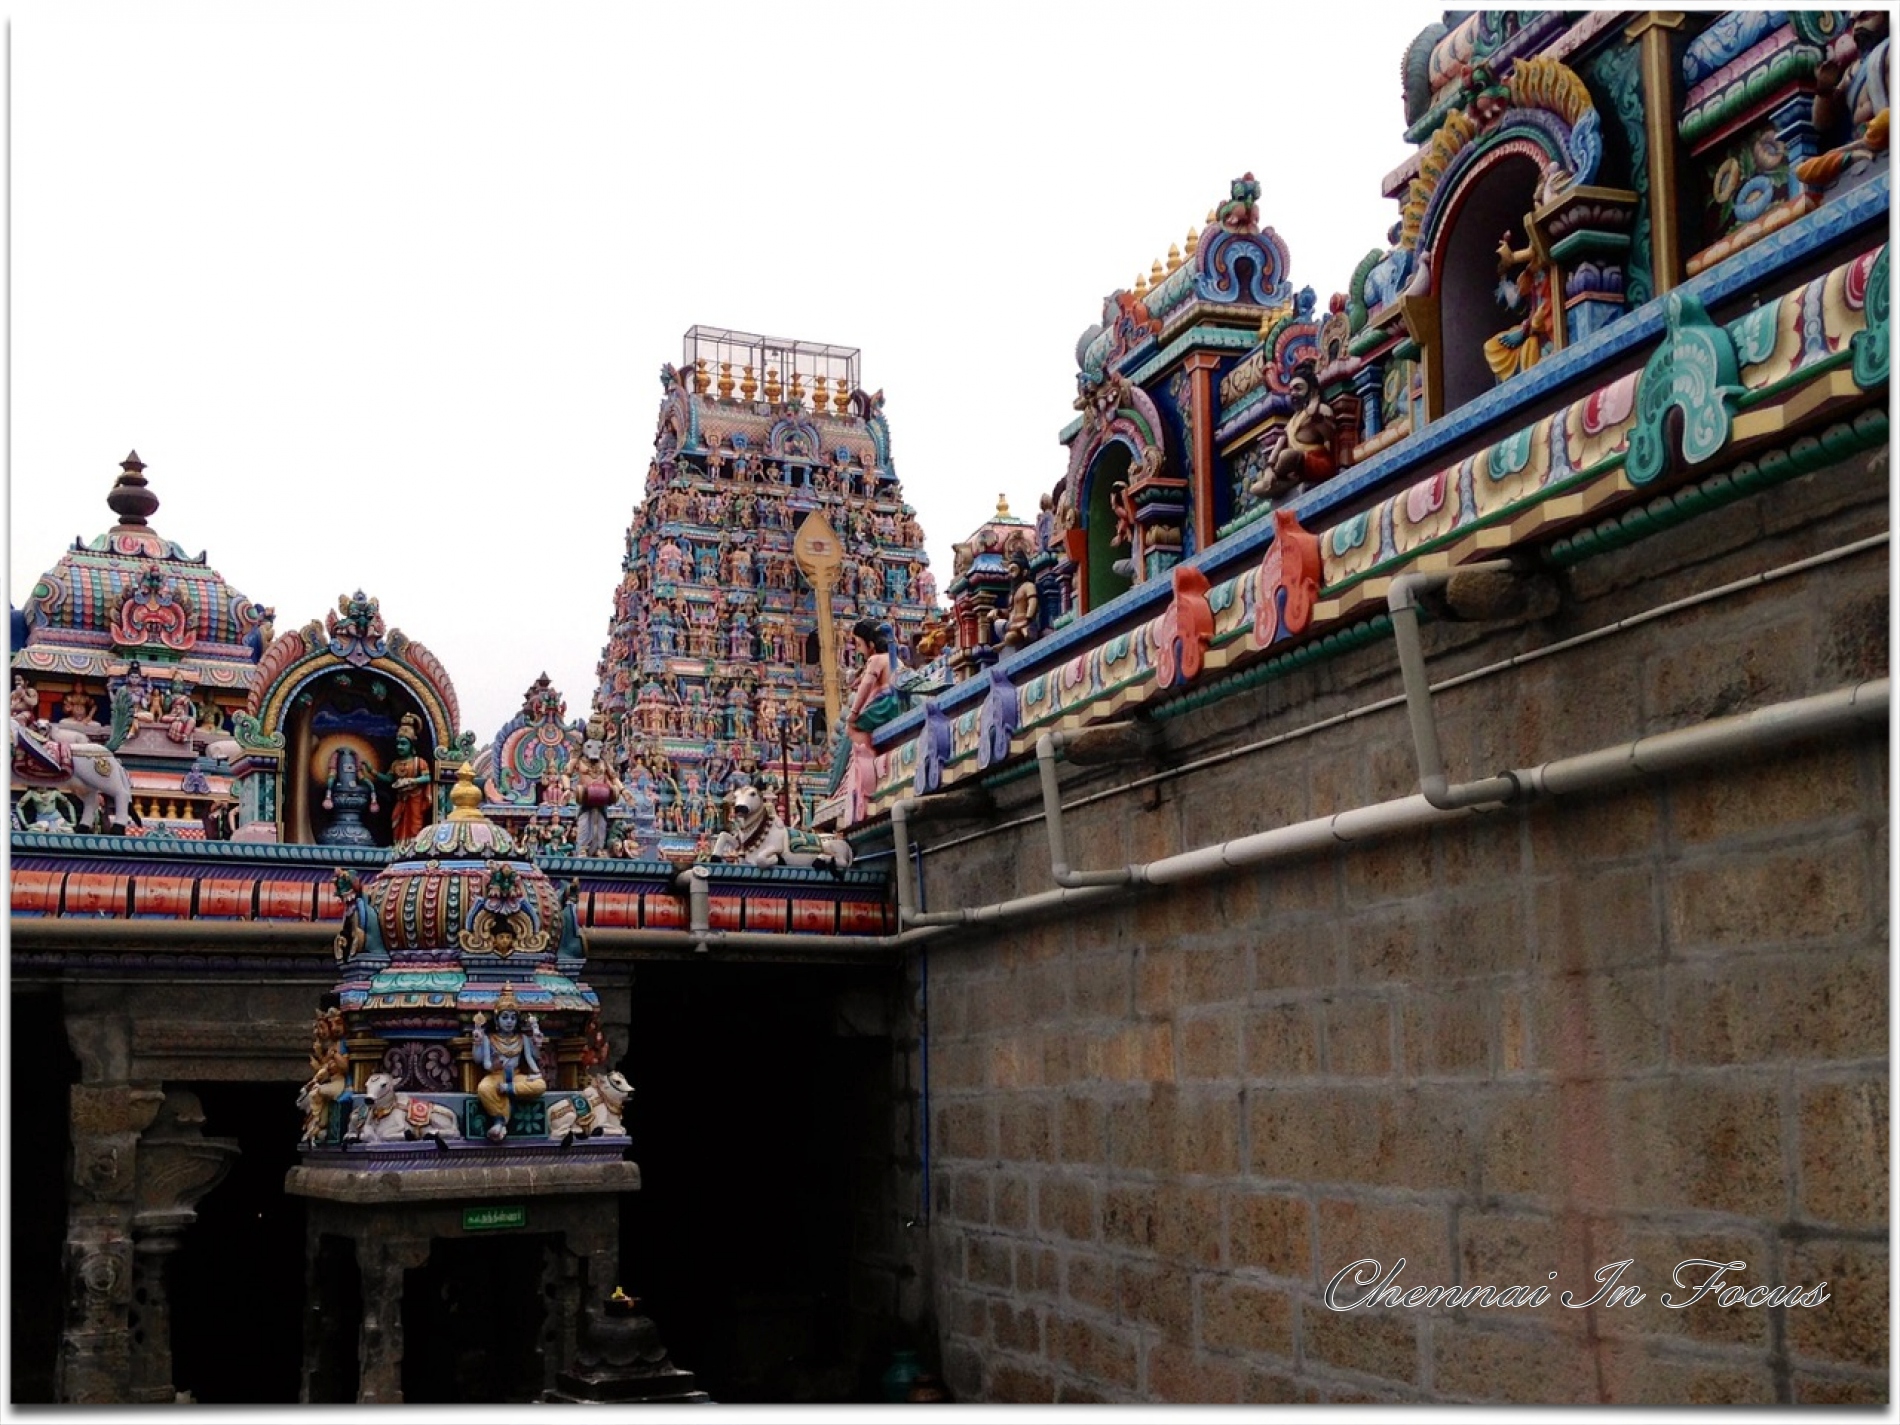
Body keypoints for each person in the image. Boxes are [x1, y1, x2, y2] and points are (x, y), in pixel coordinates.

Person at [1252, 361, 1339, 501]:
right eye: (1291, 390)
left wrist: (1315, 416)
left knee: (1287, 455)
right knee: (1255, 488)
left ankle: (1281, 479)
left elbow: (1331, 437)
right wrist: (1269, 469)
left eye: (1298, 388)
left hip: (1319, 462)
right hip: (1293, 469)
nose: (1293, 393)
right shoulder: (1292, 421)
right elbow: (1278, 446)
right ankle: (1289, 482)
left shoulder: (1322, 410)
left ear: (1311, 390)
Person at [472, 987, 547, 1141]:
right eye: (505, 1017)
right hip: (496, 1076)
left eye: (513, 1018)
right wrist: (478, 1043)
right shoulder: (489, 1038)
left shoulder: (523, 1039)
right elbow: (483, 1062)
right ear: (497, 1020)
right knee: (483, 1088)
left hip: (516, 1077)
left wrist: (537, 1044)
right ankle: (499, 1121)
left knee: (540, 1085)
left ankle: (509, 1090)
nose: (509, 1022)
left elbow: (532, 1058)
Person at [367, 712, 433, 842]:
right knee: (396, 821)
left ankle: (412, 847)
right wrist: (372, 772)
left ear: (411, 745)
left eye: (403, 744)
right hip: (401, 799)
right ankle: (399, 846)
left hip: (415, 800)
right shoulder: (395, 764)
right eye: (398, 744)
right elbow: (389, 779)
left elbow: (427, 778)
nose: (399, 747)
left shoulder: (419, 762)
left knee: (414, 825)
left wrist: (412, 780)